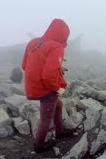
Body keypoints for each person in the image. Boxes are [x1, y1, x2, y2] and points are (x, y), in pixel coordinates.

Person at [21, 18, 75, 152]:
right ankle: (39, 145)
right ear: (63, 35)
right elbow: (48, 76)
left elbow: (24, 65)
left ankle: (59, 130)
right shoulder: (56, 47)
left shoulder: (33, 42)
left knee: (59, 104)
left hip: (32, 87)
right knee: (46, 117)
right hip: (45, 89)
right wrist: (58, 88)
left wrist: (54, 69)